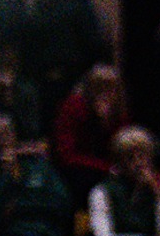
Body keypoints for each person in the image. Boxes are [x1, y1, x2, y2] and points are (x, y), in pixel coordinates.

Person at [50, 64, 130, 197]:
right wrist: (105, 168)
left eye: (111, 88)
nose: (105, 93)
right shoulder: (73, 106)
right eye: (100, 88)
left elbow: (122, 147)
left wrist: (105, 123)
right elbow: (66, 155)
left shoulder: (119, 112)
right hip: (77, 173)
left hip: (112, 173)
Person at [90, 127, 160, 236]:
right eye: (131, 158)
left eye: (142, 156)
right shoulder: (102, 191)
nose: (138, 163)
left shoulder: (153, 191)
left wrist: (159, 196)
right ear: (119, 162)